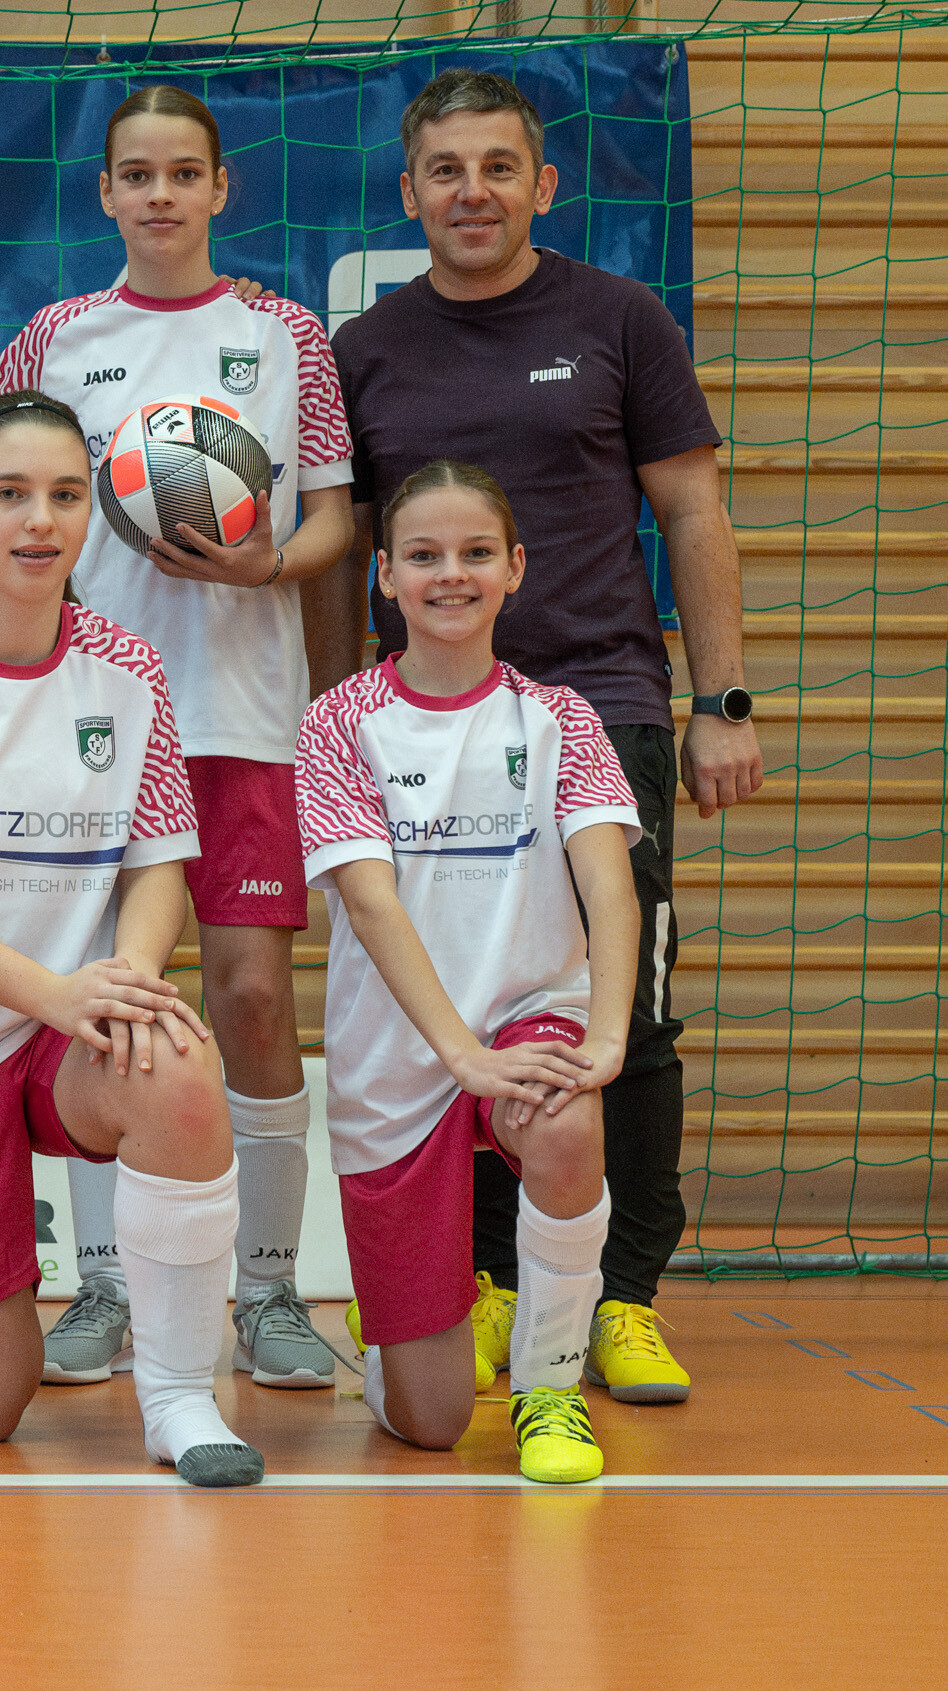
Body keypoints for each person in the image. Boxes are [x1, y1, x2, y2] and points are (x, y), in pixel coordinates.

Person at [319, 66, 761, 1404]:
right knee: (455, 999)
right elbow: (348, 549)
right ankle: (498, 1282)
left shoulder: (619, 317)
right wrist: (343, 715)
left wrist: (720, 702)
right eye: (445, 170)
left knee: (626, 1010)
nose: (473, 191)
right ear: (409, 192)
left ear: (542, 185)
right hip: (424, 726)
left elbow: (692, 511)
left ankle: (621, 1297)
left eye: (498, 166)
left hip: (600, 707)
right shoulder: (365, 347)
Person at [0, 86, 357, 1394]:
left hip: (243, 713)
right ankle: (106, 1283)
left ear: (220, 188)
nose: (160, 195)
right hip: (93, 721)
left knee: (249, 994)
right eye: (136, 174)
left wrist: (264, 564)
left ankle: (270, 1287)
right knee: (103, 1000)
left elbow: (335, 518)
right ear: (106, 194)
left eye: (183, 173)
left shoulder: (283, 334)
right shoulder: (59, 335)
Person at [0, 391, 259, 1483]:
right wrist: (56, 994)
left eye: (66, 495)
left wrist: (129, 977)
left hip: (66, 1036)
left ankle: (177, 1397)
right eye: (10, 493)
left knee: (174, 1059)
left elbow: (158, 866)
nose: (39, 520)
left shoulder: (129, 669)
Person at [299, 460, 638, 1483]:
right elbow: (370, 902)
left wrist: (606, 1035)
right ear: (385, 576)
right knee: (433, 1421)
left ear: (515, 568)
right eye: (424, 555)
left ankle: (548, 1385)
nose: (451, 574)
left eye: (476, 553)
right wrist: (460, 1056)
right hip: (397, 1053)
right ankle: (397, 1343)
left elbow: (609, 888)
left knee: (566, 1116)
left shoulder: (559, 718)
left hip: (530, 1014)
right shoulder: (338, 722)